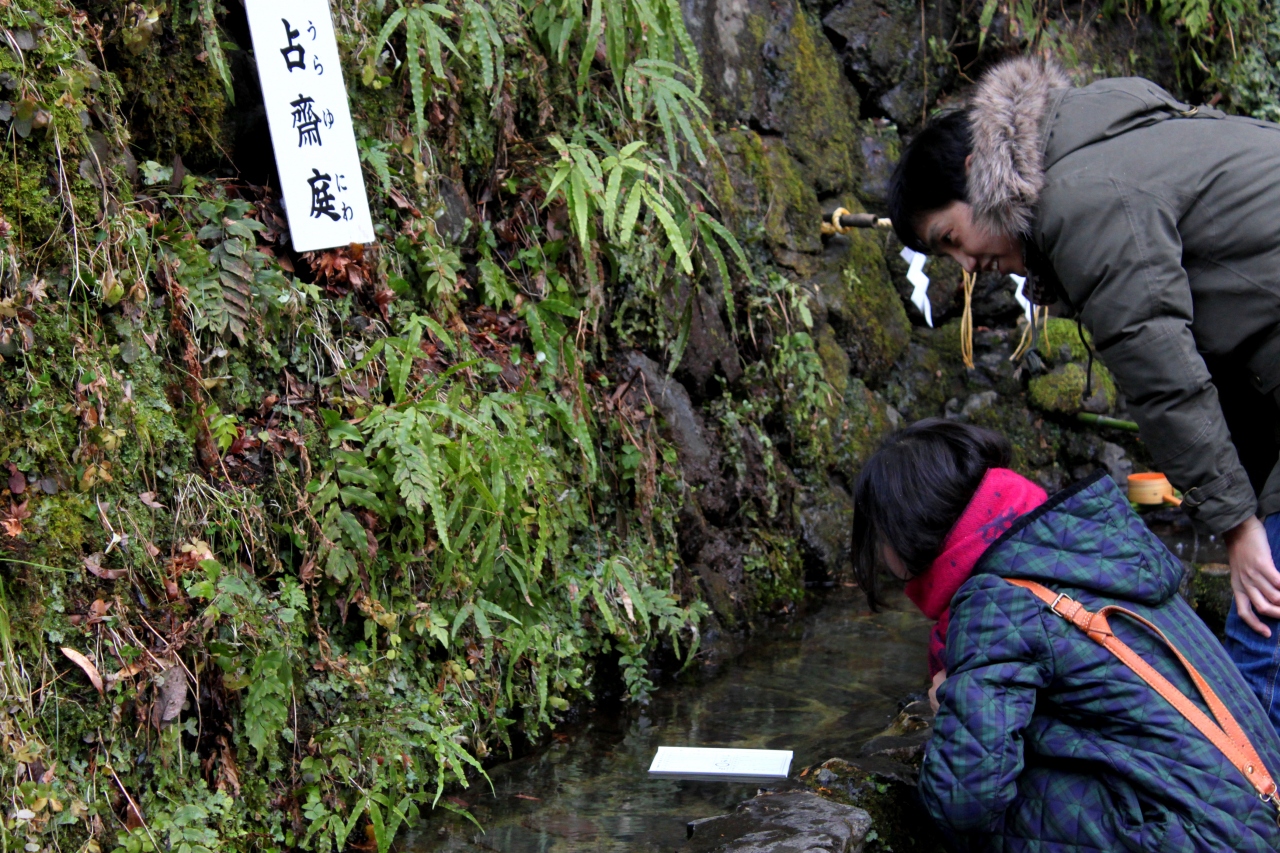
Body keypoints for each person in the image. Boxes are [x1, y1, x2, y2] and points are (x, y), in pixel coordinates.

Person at [887, 56, 1280, 729]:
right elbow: (1232, 360)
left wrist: (1240, 528)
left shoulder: (1083, 200)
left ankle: (1242, 790)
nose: (967, 265)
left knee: (1262, 628)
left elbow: (1166, 378)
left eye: (951, 239)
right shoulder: (1097, 140)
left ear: (978, 177)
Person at [852, 419, 1280, 851]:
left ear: (903, 532)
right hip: (1264, 810)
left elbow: (962, 800)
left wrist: (949, 703)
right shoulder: (1093, 547)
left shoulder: (996, 597)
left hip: (1204, 839)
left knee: (981, 811)